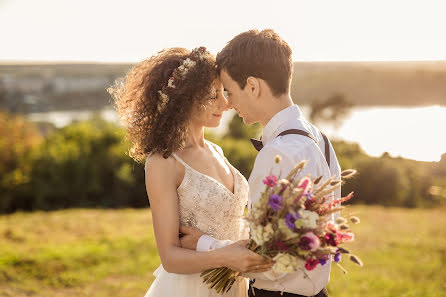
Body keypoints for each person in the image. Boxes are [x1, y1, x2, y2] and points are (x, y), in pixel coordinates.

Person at [180, 29, 341, 297]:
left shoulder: (278, 153)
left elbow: (268, 258)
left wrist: (205, 244)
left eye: (230, 92)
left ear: (253, 86)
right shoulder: (319, 137)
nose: (228, 104)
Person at [108, 46, 272, 297]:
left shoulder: (217, 150)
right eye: (212, 96)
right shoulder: (163, 163)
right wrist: (225, 256)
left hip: (235, 286)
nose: (225, 103)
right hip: (191, 289)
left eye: (222, 92)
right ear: (183, 101)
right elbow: (170, 257)